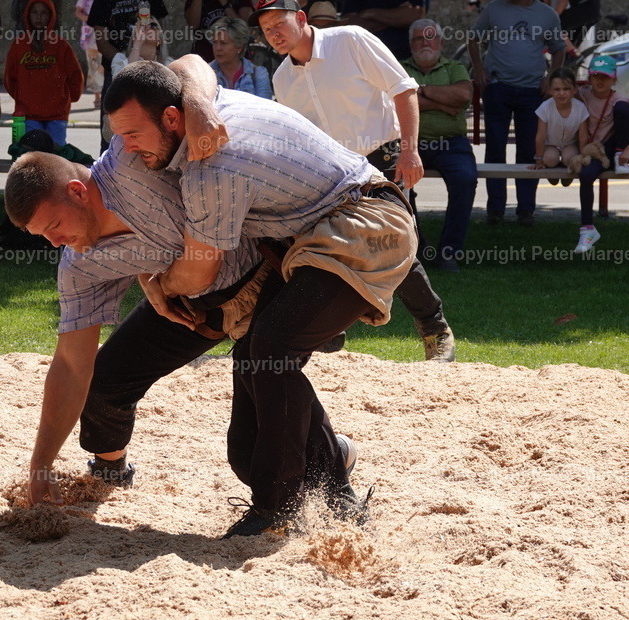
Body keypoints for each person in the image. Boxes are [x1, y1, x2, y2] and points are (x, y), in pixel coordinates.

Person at [105, 60, 419, 536]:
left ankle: (279, 507)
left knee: (272, 348)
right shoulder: (203, 105)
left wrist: (159, 283)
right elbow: (189, 62)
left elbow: (201, 269)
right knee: (252, 408)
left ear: (172, 119)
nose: (126, 148)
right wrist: (196, 100)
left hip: (365, 224)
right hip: (321, 232)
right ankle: (334, 482)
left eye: (132, 134)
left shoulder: (210, 168)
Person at [256, 0, 456, 361]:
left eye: (279, 23)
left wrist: (410, 151)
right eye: (266, 29)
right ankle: (328, 330)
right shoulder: (282, 78)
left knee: (390, 242)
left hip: (380, 156)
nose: (274, 33)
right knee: (317, 246)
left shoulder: (350, 39)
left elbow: (404, 89)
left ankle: (435, 329)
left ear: (301, 19)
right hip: (329, 171)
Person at [468, 0, 565, 226]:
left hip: (533, 91)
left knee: (530, 153)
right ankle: (495, 210)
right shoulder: (494, 9)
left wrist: (550, 78)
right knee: (495, 150)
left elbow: (559, 50)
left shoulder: (548, 15)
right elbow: (472, 38)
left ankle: (526, 210)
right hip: (498, 87)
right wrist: (479, 69)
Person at [402, 18, 478, 273]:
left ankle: (448, 252)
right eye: (419, 38)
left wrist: (418, 91)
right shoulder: (398, 68)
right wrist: (445, 103)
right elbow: (392, 103)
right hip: (410, 142)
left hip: (452, 143)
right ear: (410, 43)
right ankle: (419, 248)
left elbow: (464, 95)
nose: (425, 42)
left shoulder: (454, 67)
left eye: (430, 37)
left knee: (465, 179)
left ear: (441, 42)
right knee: (399, 186)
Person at [572, 55, 629, 254]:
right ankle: (587, 230)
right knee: (586, 176)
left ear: (614, 79)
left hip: (621, 148)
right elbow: (561, 88)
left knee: (622, 109)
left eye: (605, 77)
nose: (600, 81)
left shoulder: (619, 99)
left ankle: (619, 155)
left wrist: (628, 150)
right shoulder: (583, 94)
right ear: (589, 79)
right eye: (595, 76)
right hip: (598, 151)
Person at [89, 0, 169, 152]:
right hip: (117, 69)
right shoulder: (121, 63)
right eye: (140, 27)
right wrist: (133, 48)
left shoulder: (169, 66)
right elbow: (126, 78)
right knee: (110, 145)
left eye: (152, 26)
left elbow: (161, 22)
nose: (145, 28)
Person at [4, 0, 84, 147]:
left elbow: (75, 76)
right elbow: (9, 79)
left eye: (44, 13)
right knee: (31, 155)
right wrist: (23, 98)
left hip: (57, 114)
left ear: (51, 16)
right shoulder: (18, 45)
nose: (39, 17)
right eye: (35, 12)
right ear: (28, 15)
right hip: (27, 115)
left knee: (56, 155)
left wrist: (67, 98)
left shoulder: (61, 45)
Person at [529, 67, 588, 183]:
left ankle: (567, 174)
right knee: (550, 159)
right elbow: (540, 136)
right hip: (550, 145)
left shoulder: (580, 108)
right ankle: (553, 173)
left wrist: (582, 157)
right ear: (550, 90)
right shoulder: (545, 107)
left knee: (569, 159)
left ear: (575, 89)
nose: (562, 93)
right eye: (557, 89)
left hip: (570, 144)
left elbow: (583, 137)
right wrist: (539, 159)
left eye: (566, 89)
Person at [337, 0, 426, 61]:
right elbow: (349, 25)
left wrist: (371, 13)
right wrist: (397, 16)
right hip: (365, 59)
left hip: (403, 61)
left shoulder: (370, 13)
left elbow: (416, 15)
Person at [208, 17, 272, 98]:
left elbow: (265, 107)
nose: (217, 48)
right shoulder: (204, 73)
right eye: (215, 42)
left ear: (239, 47)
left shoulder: (258, 74)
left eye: (223, 43)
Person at [186, 0, 253, 62]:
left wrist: (225, 3)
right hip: (204, 57)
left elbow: (244, 27)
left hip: (235, 60)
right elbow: (193, 25)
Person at [75, 0, 106, 109]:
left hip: (109, 35)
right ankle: (98, 98)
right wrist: (94, 20)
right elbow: (78, 12)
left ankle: (107, 98)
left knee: (109, 66)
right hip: (91, 37)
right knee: (94, 68)